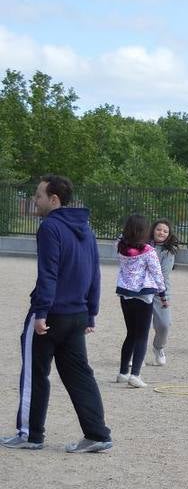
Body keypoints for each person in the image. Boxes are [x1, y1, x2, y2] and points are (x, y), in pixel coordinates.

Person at [2, 175, 113, 453]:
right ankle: (97, 434)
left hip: (50, 315)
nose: (35, 200)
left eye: (39, 196)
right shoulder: (85, 229)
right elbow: (94, 273)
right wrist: (91, 312)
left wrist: (41, 311)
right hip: (76, 315)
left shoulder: (49, 227)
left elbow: (48, 272)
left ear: (54, 199)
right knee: (79, 375)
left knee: (35, 373)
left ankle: (29, 434)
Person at [113, 214, 167, 389]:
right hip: (143, 295)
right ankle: (135, 374)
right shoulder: (149, 252)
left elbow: (122, 240)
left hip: (125, 294)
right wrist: (163, 295)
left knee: (130, 333)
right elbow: (158, 274)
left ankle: (123, 372)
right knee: (142, 335)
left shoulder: (120, 247)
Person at [149, 219, 178, 366]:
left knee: (164, 325)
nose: (161, 233)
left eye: (165, 231)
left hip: (160, 291)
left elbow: (163, 273)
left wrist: (164, 295)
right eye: (159, 229)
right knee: (140, 325)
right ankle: (135, 354)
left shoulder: (169, 251)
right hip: (142, 290)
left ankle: (158, 348)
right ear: (153, 230)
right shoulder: (144, 245)